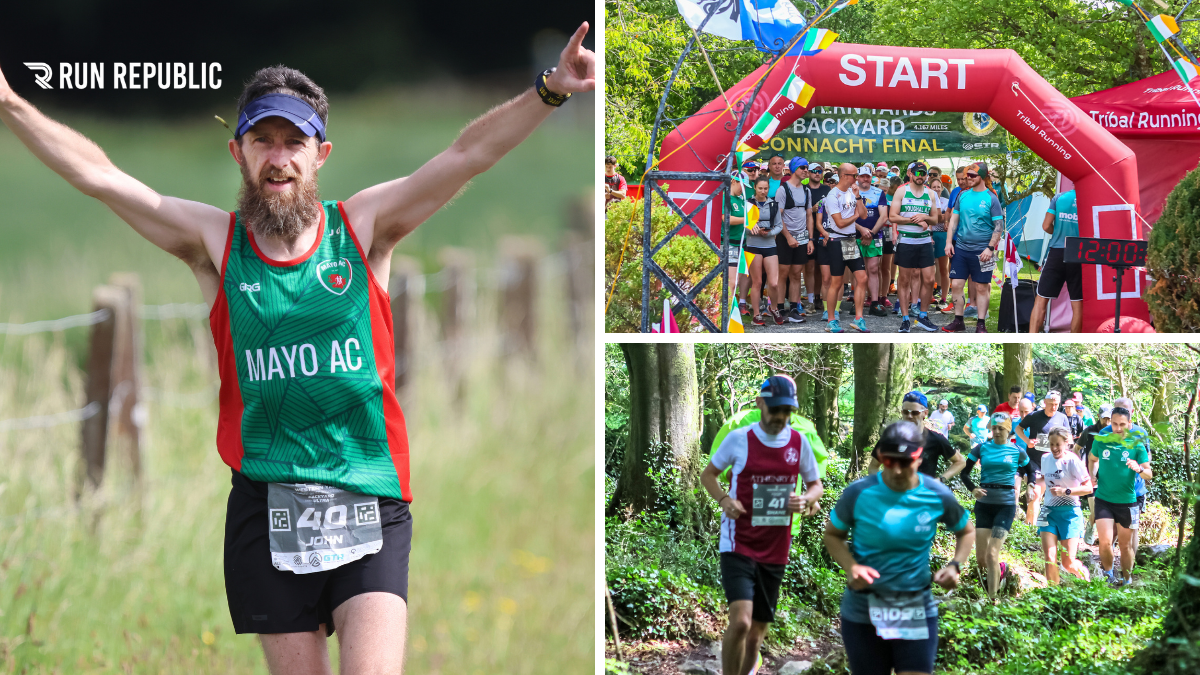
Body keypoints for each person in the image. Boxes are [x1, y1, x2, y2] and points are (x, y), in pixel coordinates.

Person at [0, 26, 594, 673]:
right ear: (239, 152)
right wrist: (10, 103)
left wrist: (549, 91)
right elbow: (102, 177)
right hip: (267, 502)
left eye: (294, 142)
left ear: (320, 154)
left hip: (368, 494)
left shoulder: (362, 228)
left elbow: (465, 156)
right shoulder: (213, 241)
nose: (278, 157)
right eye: (263, 140)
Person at [825, 421, 973, 675]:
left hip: (913, 605)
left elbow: (967, 530)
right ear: (881, 458)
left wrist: (955, 565)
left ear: (919, 457)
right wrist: (851, 568)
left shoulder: (935, 494)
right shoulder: (859, 493)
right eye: (890, 461)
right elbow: (832, 535)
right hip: (863, 610)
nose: (896, 470)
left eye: (905, 462)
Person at [701, 376, 823, 675]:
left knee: (756, 633)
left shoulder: (799, 442)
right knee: (741, 621)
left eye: (787, 411)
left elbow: (815, 484)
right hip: (738, 541)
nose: (781, 417)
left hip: (776, 545)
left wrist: (806, 498)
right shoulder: (739, 438)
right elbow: (709, 476)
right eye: (775, 409)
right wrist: (724, 500)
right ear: (760, 404)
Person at [959, 412, 1029, 598]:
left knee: (992, 553)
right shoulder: (981, 448)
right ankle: (1001, 569)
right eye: (994, 428)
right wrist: (973, 489)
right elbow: (964, 473)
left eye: (1001, 428)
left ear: (1008, 430)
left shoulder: (1017, 451)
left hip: (1005, 506)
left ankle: (993, 603)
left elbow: (1031, 469)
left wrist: (1031, 486)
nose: (997, 432)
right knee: (981, 559)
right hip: (984, 505)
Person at [1088, 404, 1152, 586]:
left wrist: (1138, 468)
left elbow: (1149, 473)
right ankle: (1108, 575)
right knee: (1105, 542)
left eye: (1122, 425)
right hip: (1104, 499)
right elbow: (1093, 458)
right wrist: (1092, 474)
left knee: (1125, 546)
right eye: (1114, 424)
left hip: (1127, 502)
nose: (1117, 428)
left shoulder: (1136, 444)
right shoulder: (1102, 439)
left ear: (1129, 423)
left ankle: (1127, 580)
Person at [943, 163, 1004, 333]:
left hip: (983, 250)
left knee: (981, 287)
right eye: (967, 175)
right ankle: (958, 320)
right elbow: (954, 220)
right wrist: (949, 242)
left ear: (982, 177)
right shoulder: (962, 195)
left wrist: (990, 248)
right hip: (961, 248)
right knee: (956, 284)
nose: (968, 178)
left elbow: (999, 225)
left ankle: (981, 324)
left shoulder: (991, 198)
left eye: (972, 176)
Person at [817, 163, 870, 333]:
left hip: (850, 241)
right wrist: (855, 216)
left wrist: (859, 198)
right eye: (854, 175)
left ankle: (859, 319)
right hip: (836, 241)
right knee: (837, 282)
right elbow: (839, 223)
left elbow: (864, 215)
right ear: (844, 176)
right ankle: (831, 320)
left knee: (862, 278)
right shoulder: (832, 196)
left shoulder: (851, 192)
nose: (857, 179)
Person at [1036, 426, 1093, 585]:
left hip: (1070, 513)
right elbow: (1043, 479)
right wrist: (1034, 486)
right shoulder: (1045, 458)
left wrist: (1065, 491)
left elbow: (1088, 487)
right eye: (1051, 444)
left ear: (1066, 443)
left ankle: (1086, 581)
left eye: (1057, 445)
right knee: (1049, 558)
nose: (1054, 448)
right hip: (1048, 512)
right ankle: (1052, 595)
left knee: (1067, 562)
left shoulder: (1072, 461)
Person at [867, 392, 967, 482]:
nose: (909, 416)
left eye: (915, 413)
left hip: (922, 498)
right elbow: (873, 467)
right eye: (906, 412)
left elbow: (960, 462)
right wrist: (881, 486)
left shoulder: (936, 439)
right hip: (894, 498)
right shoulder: (890, 438)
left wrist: (940, 479)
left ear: (925, 413)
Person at [889, 162, 940, 333]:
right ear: (910, 173)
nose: (920, 175)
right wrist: (912, 220)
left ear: (926, 175)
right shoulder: (902, 191)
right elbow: (892, 216)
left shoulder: (931, 193)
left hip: (924, 241)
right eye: (917, 172)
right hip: (906, 241)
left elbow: (936, 219)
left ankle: (923, 316)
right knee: (904, 281)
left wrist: (924, 217)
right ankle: (905, 319)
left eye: (923, 173)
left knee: (929, 279)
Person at [1029, 189, 1082, 333]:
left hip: (1057, 252)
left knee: (1041, 301)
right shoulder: (1089, 198)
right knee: (1077, 304)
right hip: (1078, 253)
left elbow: (1046, 226)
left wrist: (1058, 231)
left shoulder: (1059, 197)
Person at [1015, 391, 1068, 525]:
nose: (1054, 407)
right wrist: (1028, 441)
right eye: (1051, 404)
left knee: (1052, 497)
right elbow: (1018, 429)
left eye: (1056, 404)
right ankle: (1030, 527)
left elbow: (1069, 439)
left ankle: (1051, 527)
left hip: (1054, 463)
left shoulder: (1062, 418)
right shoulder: (1034, 416)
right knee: (1035, 494)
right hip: (1035, 462)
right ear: (1045, 403)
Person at [775, 157, 815, 322]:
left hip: (802, 238)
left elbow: (809, 215)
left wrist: (810, 239)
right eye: (802, 167)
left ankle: (793, 309)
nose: (806, 170)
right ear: (793, 170)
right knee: (783, 273)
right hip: (785, 238)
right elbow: (778, 216)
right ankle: (778, 309)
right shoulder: (783, 190)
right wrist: (788, 237)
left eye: (807, 167)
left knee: (796, 274)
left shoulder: (807, 190)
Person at [746, 177, 785, 326]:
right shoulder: (748, 204)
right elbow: (744, 224)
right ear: (755, 188)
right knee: (757, 282)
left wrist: (768, 233)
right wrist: (752, 229)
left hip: (769, 244)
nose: (763, 191)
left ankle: (773, 308)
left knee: (774, 283)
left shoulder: (774, 204)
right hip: (753, 244)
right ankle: (756, 314)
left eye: (765, 189)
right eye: (760, 188)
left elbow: (779, 225)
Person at [854, 165, 889, 317]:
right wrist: (862, 231)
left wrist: (871, 233)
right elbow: (845, 215)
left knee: (874, 269)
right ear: (858, 177)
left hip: (874, 236)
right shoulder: (851, 192)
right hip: (854, 236)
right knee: (857, 270)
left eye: (868, 176)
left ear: (871, 177)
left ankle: (874, 302)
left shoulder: (878, 192)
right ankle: (857, 302)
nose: (865, 179)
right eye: (862, 176)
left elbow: (884, 216)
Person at [1077, 404, 1113, 544]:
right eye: (1104, 419)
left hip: (1107, 475)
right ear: (1098, 417)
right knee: (1095, 508)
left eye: (1109, 419)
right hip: (1090, 475)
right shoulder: (1089, 431)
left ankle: (1094, 527)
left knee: (1102, 509)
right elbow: (1077, 448)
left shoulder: (1114, 432)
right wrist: (1079, 466)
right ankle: (1092, 527)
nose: (1107, 422)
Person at [724, 172, 751, 309]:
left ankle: (729, 313)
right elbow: (725, 218)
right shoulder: (725, 197)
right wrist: (746, 220)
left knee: (736, 282)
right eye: (742, 185)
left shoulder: (741, 200)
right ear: (733, 181)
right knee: (731, 283)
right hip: (729, 244)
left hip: (741, 245)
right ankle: (726, 313)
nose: (743, 189)